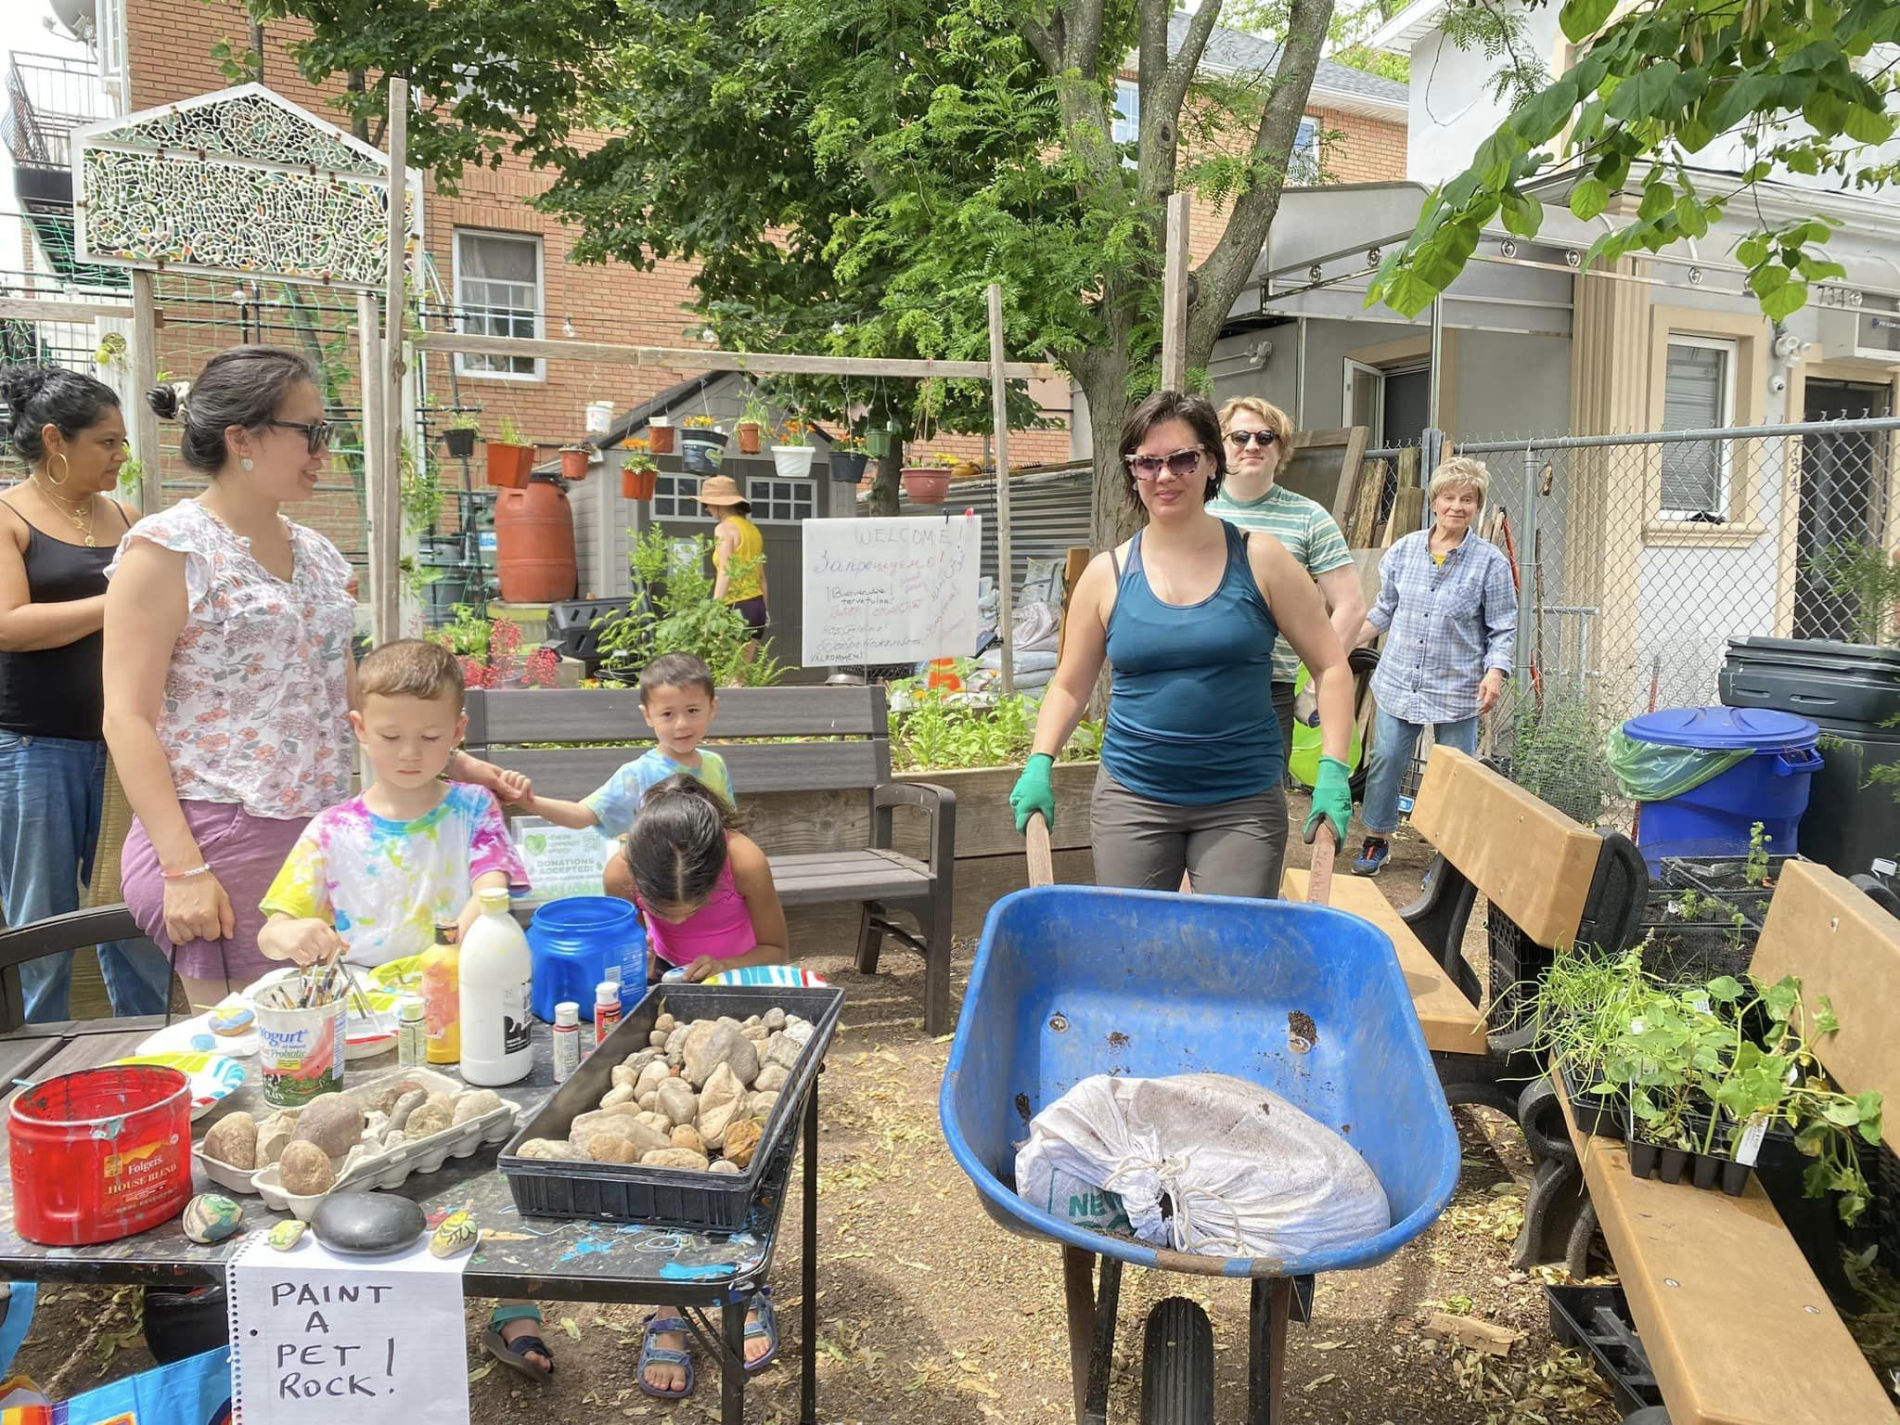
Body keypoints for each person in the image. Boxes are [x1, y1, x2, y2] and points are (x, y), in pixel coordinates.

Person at [102, 346, 522, 1008]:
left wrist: (459, 763)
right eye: (312, 431)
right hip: (220, 836)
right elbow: (124, 716)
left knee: (344, 1037)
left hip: (327, 836)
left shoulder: (320, 555)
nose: (324, 448)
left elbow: (347, 696)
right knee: (261, 1051)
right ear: (241, 438)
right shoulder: (167, 552)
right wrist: (182, 868)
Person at [1009, 390, 1356, 898]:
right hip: (1133, 797)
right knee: (1137, 950)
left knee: (1227, 950)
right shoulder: (1106, 575)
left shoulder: (1262, 559)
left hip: (1241, 802)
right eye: (1147, 463)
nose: (1165, 476)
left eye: (1182, 459)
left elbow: (1331, 667)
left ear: (1211, 462)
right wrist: (1040, 762)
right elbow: (1068, 685)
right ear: (1132, 472)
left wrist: (1333, 769)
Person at [602, 775, 787, 1397]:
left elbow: (779, 947)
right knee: (667, 1156)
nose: (681, 918)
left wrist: (728, 965)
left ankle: (742, 1279)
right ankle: (667, 1300)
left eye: (697, 906)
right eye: (666, 911)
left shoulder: (743, 859)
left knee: (740, 1155)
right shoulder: (621, 871)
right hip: (671, 1016)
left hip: (744, 1009)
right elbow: (630, 956)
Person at [0, 366, 171, 1020]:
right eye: (107, 441)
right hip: (33, 748)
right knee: (40, 921)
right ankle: (33, 1062)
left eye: (123, 441)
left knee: (131, 907)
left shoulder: (127, 517)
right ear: (55, 440)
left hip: (121, 747)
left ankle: (148, 1045)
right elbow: (9, 627)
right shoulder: (8, 515)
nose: (122, 455)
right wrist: (118, 601)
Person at [256, 640, 527, 968]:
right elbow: (270, 936)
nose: (409, 754)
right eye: (390, 736)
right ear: (361, 728)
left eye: (429, 737)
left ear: (457, 732)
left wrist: (445, 954)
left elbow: (491, 892)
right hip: (366, 999)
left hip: (458, 982)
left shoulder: (473, 808)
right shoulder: (331, 830)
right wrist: (286, 933)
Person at [1352, 456, 1517, 876]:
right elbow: (1383, 610)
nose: (1457, 506)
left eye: (1467, 499)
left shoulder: (1490, 563)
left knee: (1456, 774)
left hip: (1457, 684)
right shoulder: (1404, 551)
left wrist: (1495, 673)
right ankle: (1376, 839)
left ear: (1477, 505)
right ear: (1434, 501)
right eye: (1449, 497)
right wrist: (1338, 644)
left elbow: (1503, 627)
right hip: (1399, 680)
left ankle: (1449, 858)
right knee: (1388, 758)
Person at [1206, 397, 1366, 762]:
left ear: (1281, 450)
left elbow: (1351, 606)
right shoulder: (1197, 511)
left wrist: (1313, 685)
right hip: (1198, 680)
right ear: (1219, 446)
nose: (1252, 446)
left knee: (1262, 808)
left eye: (1266, 437)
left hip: (1270, 686)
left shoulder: (1309, 518)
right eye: (1239, 436)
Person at [516, 652, 732, 835]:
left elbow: (730, 828)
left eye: (692, 710)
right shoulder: (636, 775)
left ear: (712, 708)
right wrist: (530, 802)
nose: (681, 724)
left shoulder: (715, 764)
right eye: (667, 714)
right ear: (648, 715)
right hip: (656, 877)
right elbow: (583, 815)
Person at [697, 474, 768, 658]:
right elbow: (761, 577)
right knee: (740, 675)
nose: (706, 509)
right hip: (756, 606)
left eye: (707, 504)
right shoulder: (752, 529)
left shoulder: (724, 529)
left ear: (719, 504)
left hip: (736, 607)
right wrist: (764, 610)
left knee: (727, 674)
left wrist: (713, 611)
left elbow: (725, 572)